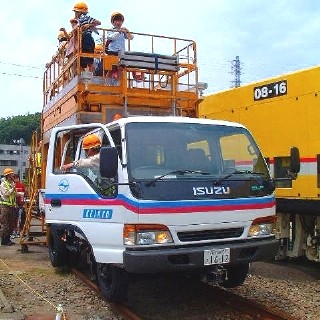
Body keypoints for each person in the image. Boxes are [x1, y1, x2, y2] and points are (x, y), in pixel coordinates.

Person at [106, 12, 134, 84]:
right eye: (117, 20)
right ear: (113, 22)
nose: (119, 22)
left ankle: (119, 84)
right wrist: (119, 32)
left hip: (121, 52)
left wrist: (127, 31)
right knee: (111, 68)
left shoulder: (123, 31)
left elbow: (131, 38)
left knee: (121, 68)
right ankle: (107, 83)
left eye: (120, 21)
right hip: (112, 51)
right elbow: (110, 37)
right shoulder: (111, 30)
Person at [72, 1, 101, 70]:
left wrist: (88, 25)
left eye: (76, 12)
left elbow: (98, 22)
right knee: (81, 60)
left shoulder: (85, 17)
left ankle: (91, 73)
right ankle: (85, 75)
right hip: (82, 39)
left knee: (89, 59)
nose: (75, 13)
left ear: (80, 12)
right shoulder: (78, 20)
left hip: (87, 38)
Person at [0, 168, 17, 246]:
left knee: (11, 224)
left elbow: (14, 194)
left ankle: (8, 239)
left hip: (11, 206)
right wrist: (13, 189)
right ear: (8, 175)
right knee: (5, 224)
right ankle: (4, 240)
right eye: (11, 174)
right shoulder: (3, 184)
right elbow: (6, 193)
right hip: (5, 206)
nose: (13, 175)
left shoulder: (12, 183)